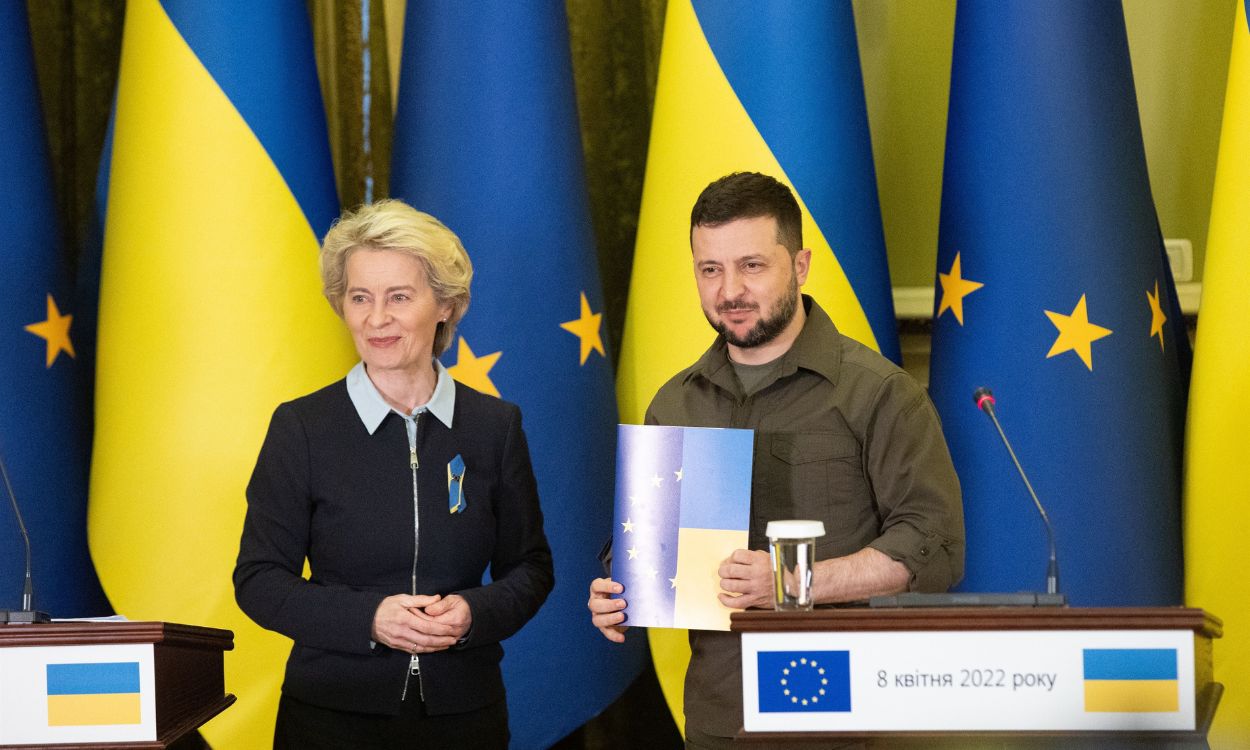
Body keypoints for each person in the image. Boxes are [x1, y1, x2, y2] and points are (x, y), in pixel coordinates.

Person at [588, 172, 964, 748]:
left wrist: (793, 583)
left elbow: (933, 548)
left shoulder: (880, 393)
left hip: (845, 716)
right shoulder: (676, 400)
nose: (729, 289)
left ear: (802, 265)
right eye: (709, 269)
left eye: (752, 266)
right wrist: (620, 588)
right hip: (721, 717)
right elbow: (647, 544)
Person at [235, 199, 553, 749]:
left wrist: (474, 613)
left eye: (399, 297)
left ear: (446, 306)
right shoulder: (302, 428)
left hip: (465, 716)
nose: (376, 319)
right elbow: (259, 579)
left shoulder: (494, 426)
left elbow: (529, 568)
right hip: (330, 716)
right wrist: (370, 619)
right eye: (360, 297)